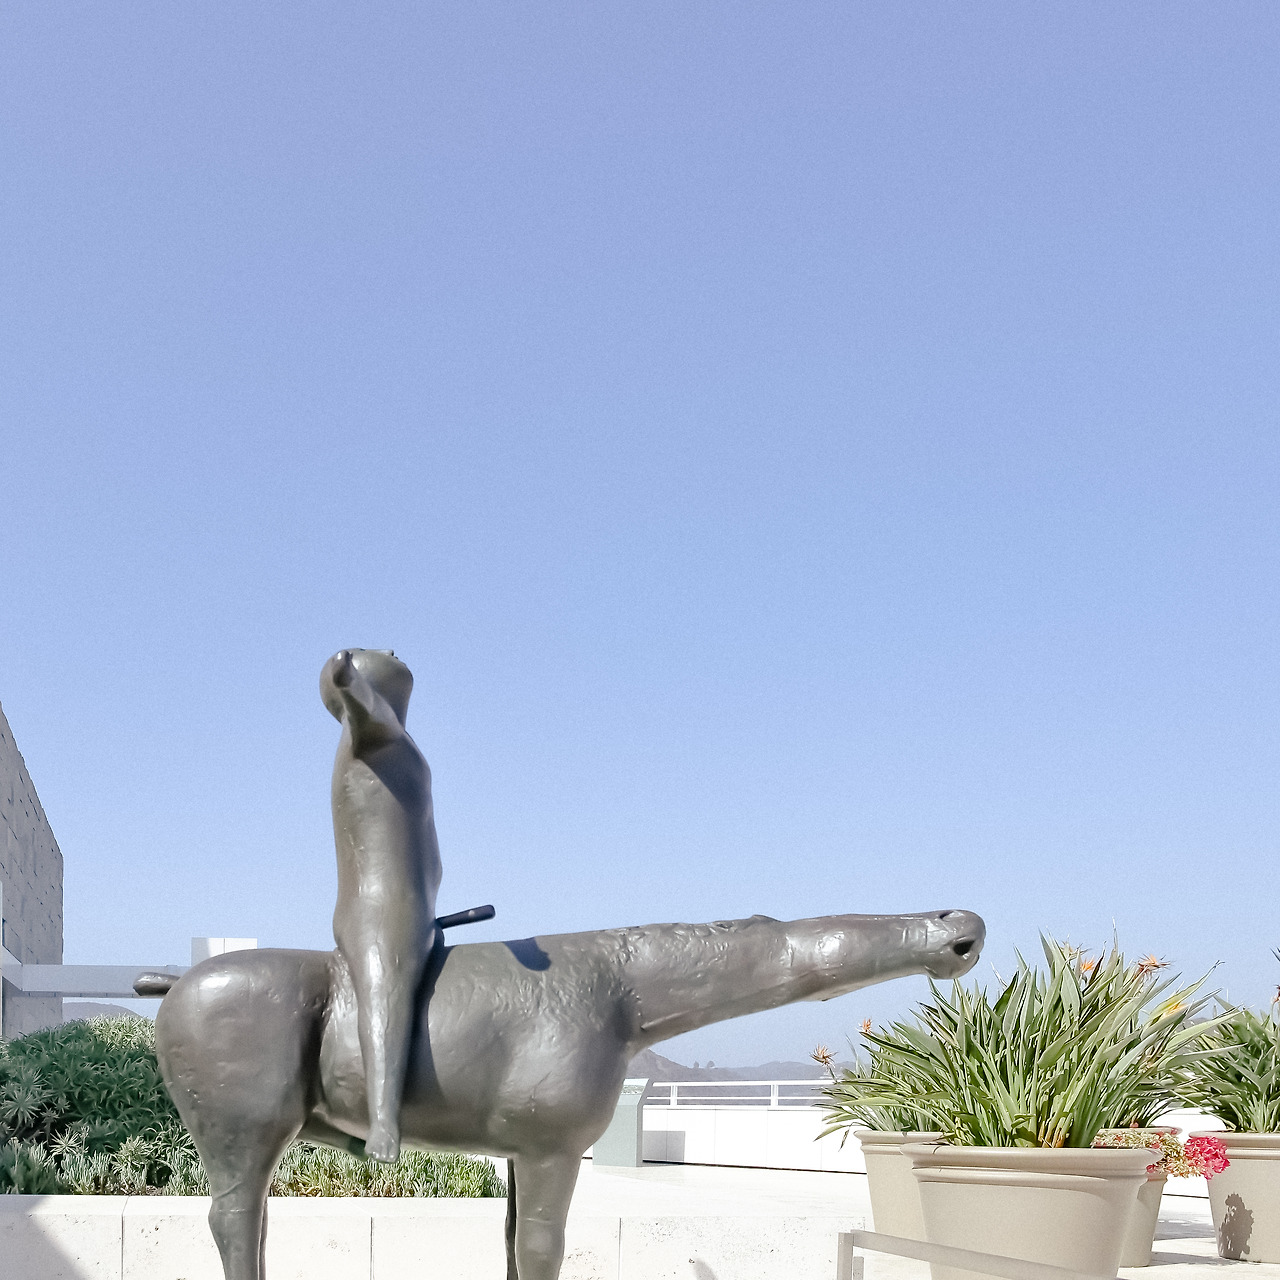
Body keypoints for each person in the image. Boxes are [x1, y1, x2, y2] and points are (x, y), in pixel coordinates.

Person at [320, 648, 441, 1163]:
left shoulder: (396, 742)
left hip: (418, 908)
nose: (392, 651)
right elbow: (368, 708)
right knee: (384, 982)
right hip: (381, 909)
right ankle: (384, 1120)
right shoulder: (370, 735)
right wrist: (346, 679)